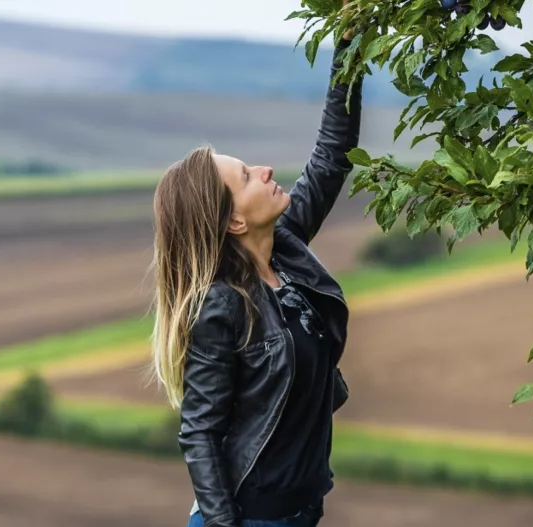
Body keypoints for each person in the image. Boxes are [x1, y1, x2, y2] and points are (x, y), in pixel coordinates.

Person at [148, 9, 363, 527]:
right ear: (235, 223)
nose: (265, 170)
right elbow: (198, 431)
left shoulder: (285, 248)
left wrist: (351, 41)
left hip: (304, 510)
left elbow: (333, 155)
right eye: (246, 176)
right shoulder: (222, 306)